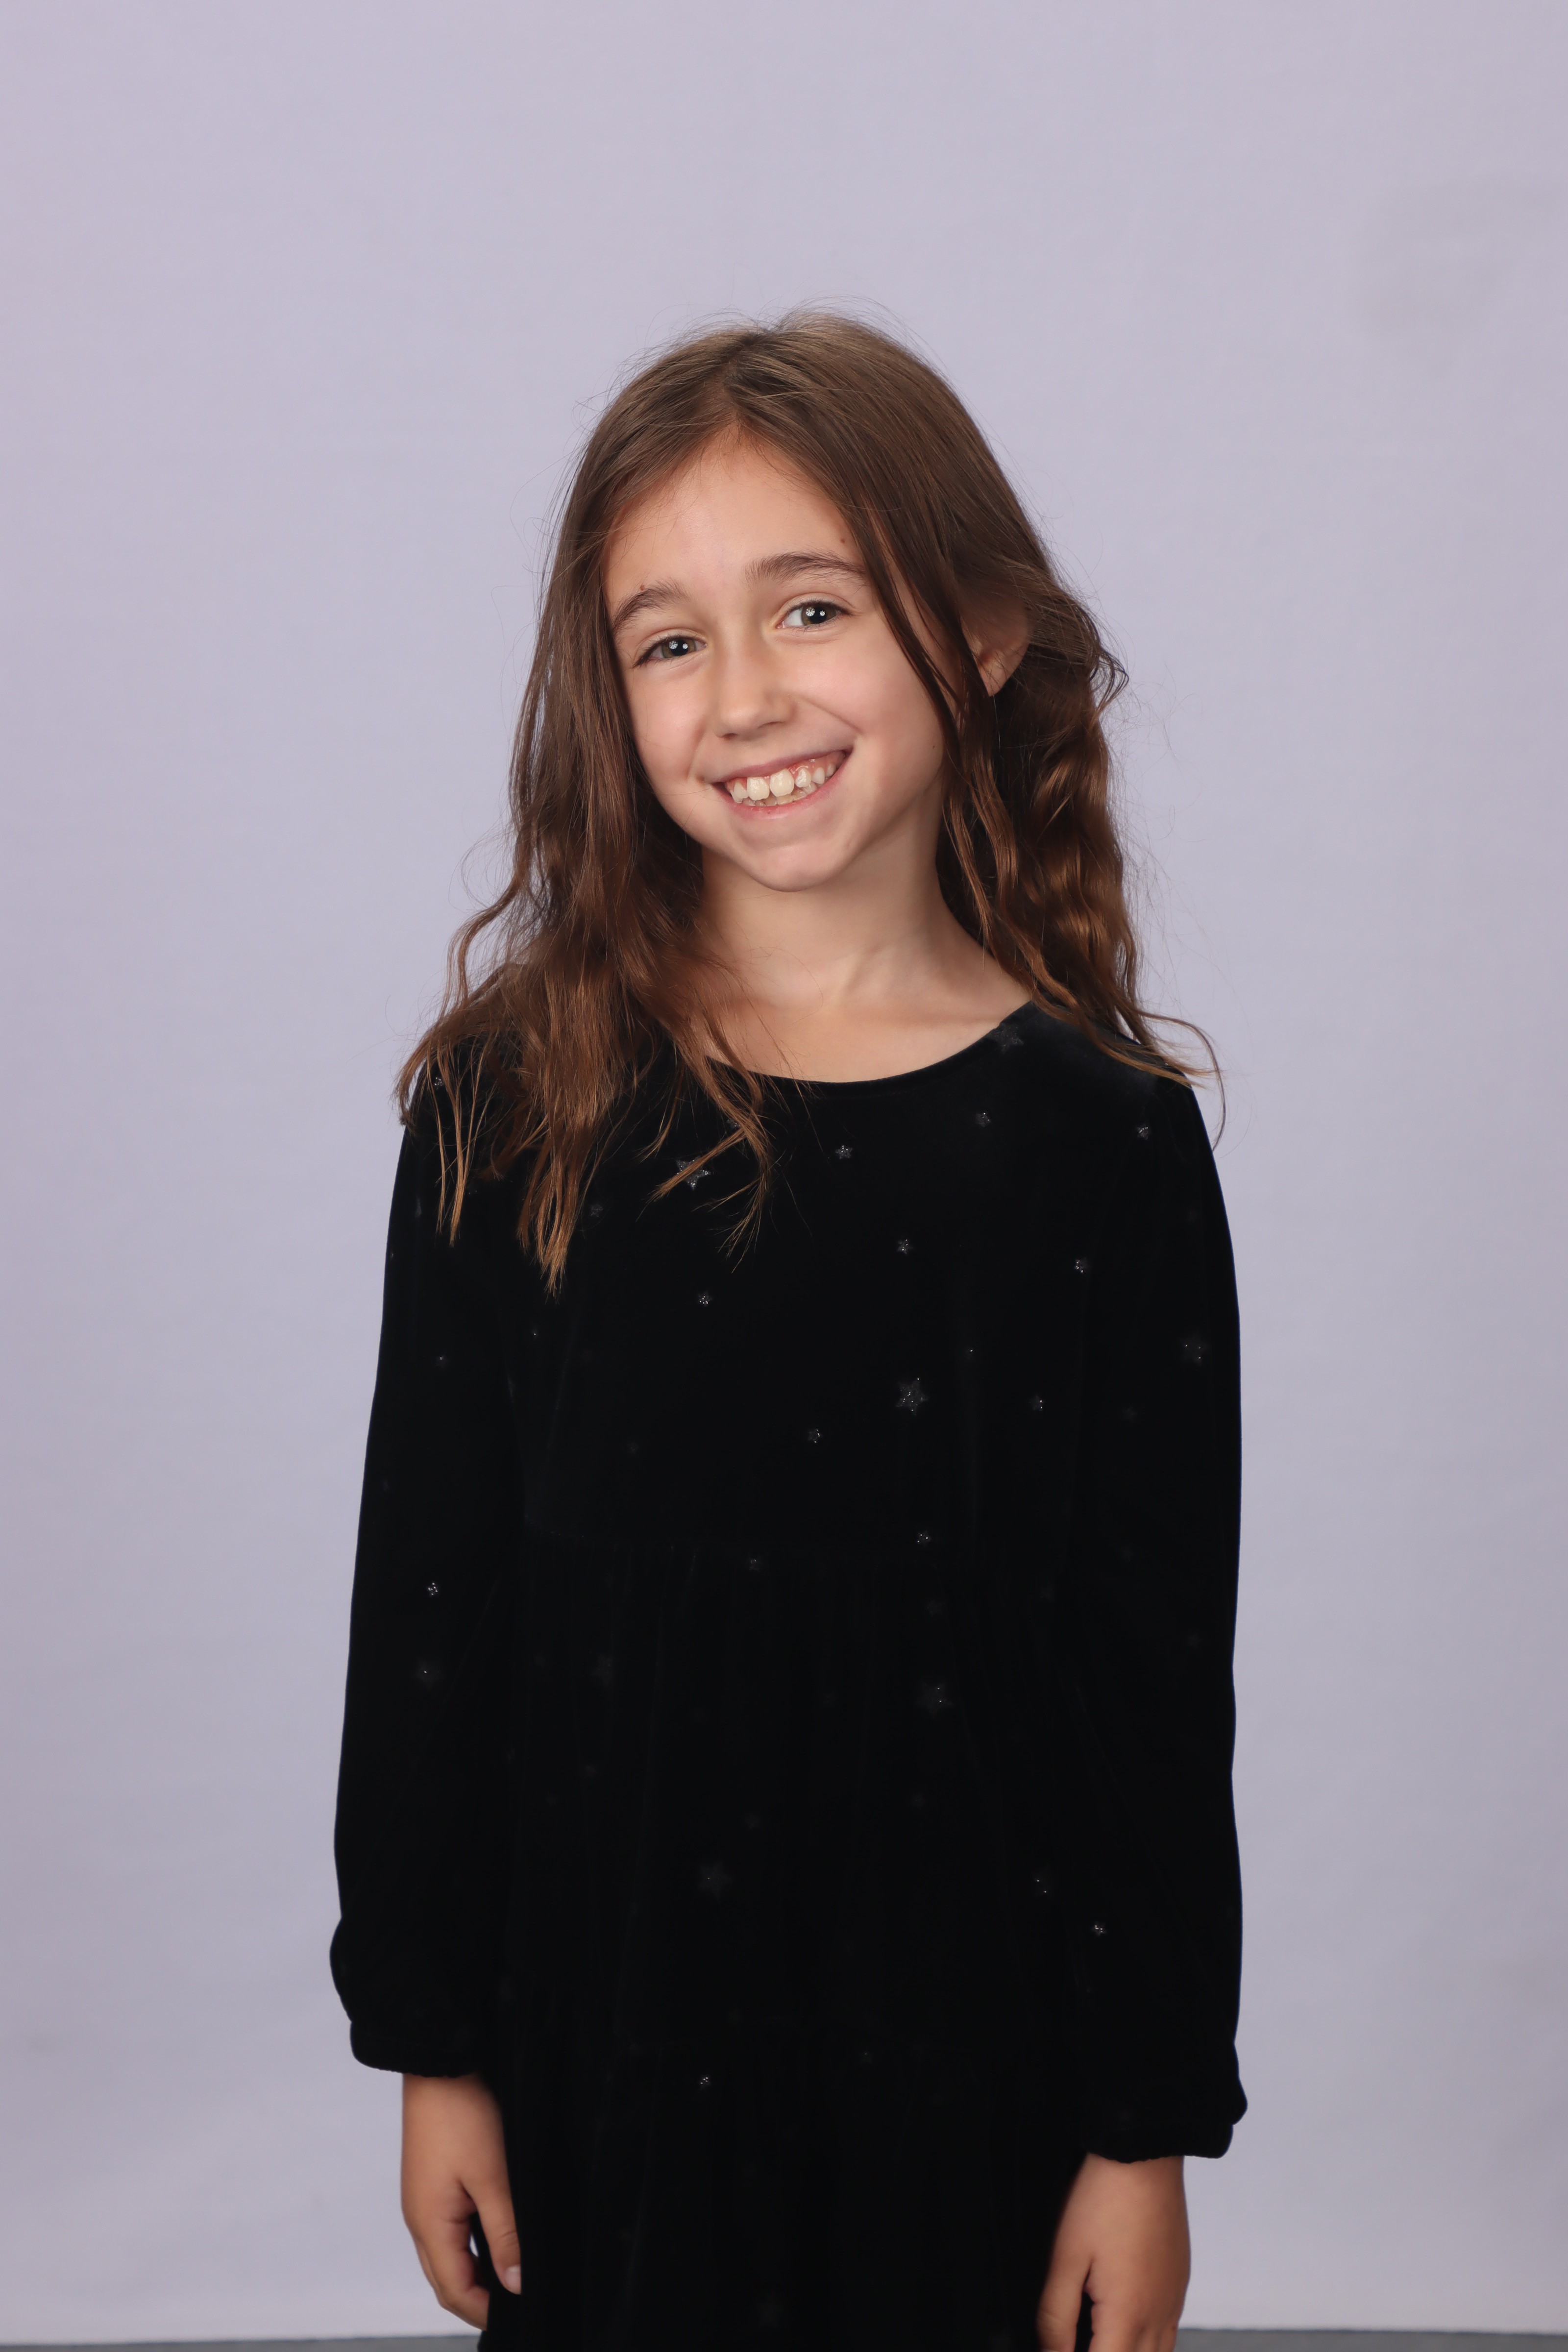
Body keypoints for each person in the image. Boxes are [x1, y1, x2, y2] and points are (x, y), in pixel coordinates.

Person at [329, 312, 1246, 2352]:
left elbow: (1144, 1685)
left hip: (973, 2075)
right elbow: (431, 1608)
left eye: (809, 607)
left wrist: (1142, 2132)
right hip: (600, 2063)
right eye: (668, 641)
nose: (742, 695)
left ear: (981, 630)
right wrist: (431, 2044)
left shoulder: (1102, 1149)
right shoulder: (516, 1099)